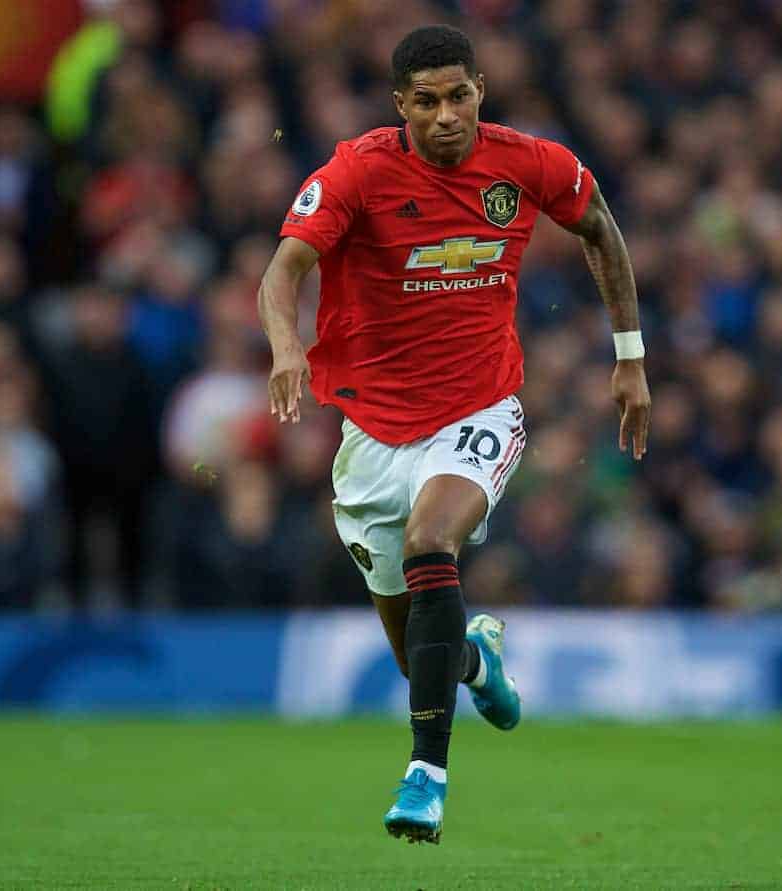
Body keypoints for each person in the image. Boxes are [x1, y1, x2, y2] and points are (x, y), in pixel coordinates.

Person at [256, 25, 650, 845]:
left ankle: (425, 777)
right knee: (419, 660)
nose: (445, 116)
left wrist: (630, 358)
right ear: (401, 105)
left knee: (431, 541)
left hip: (479, 410)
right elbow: (283, 269)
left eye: (459, 95)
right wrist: (287, 344)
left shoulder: (528, 163)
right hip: (371, 432)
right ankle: (474, 657)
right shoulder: (357, 171)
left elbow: (601, 227)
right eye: (426, 102)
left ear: (481, 89)